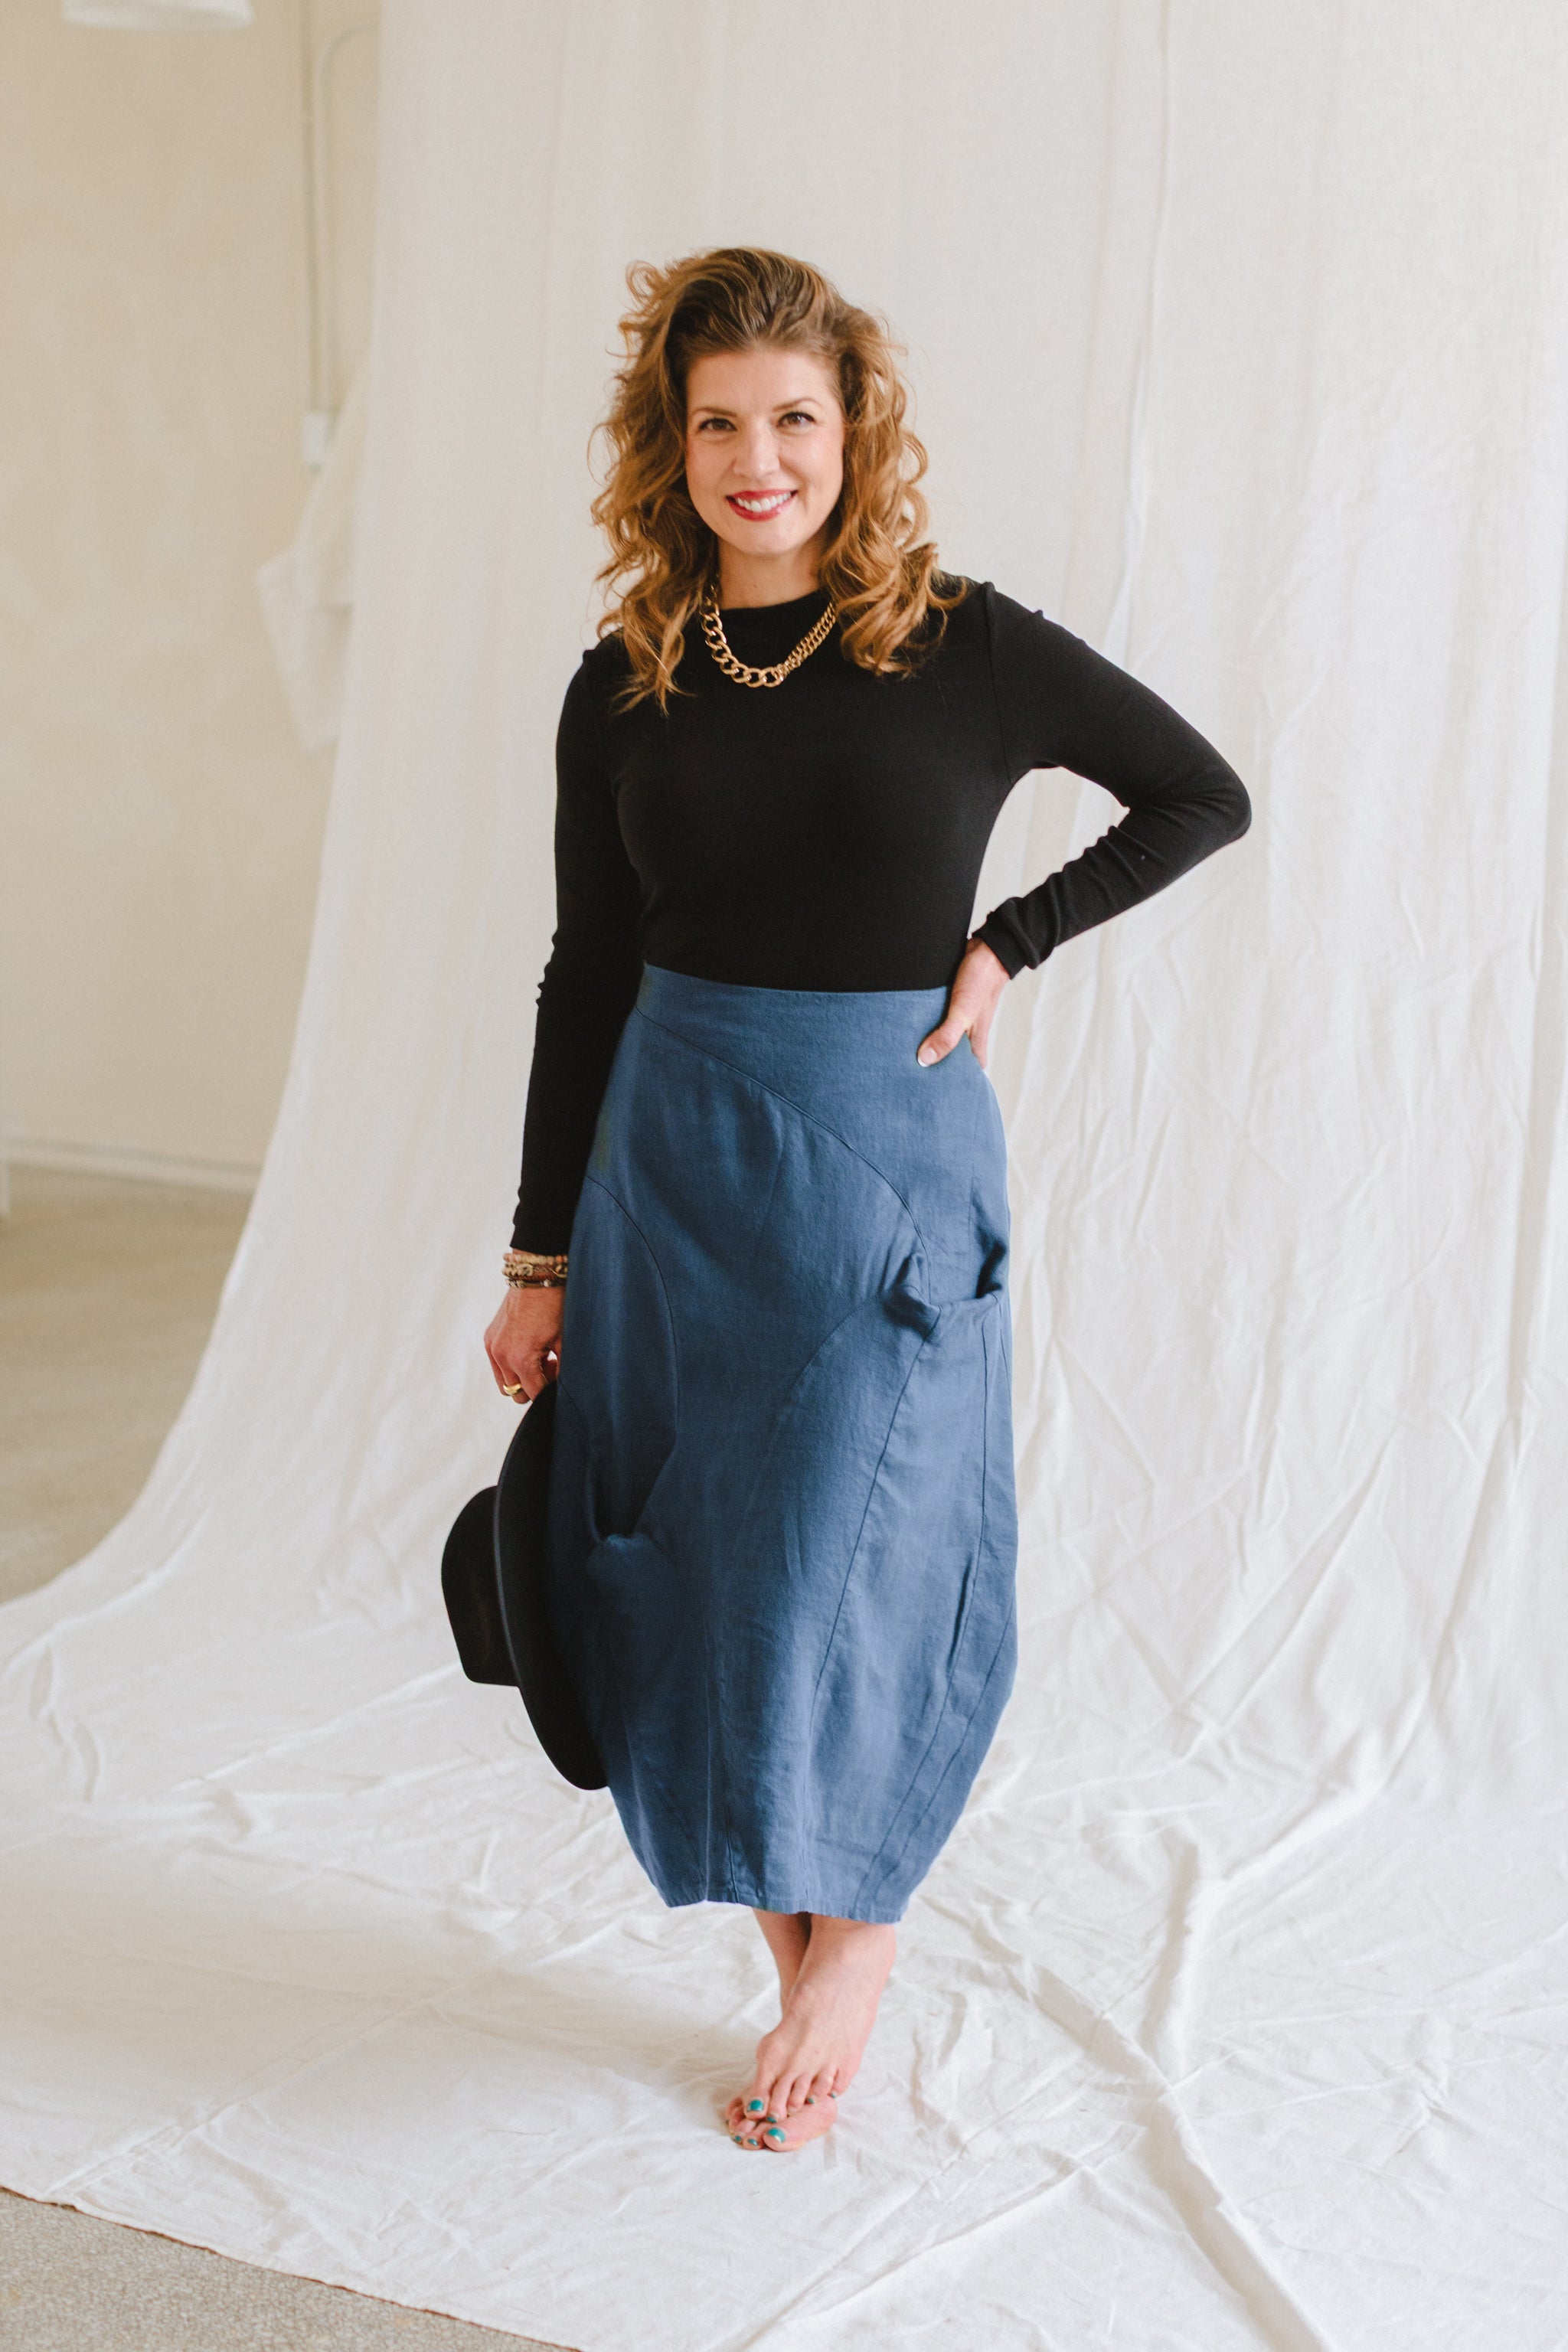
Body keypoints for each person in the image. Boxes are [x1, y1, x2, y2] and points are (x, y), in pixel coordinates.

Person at [484, 247, 1250, 2155]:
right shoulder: (624, 681)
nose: (759, 461)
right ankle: (796, 1947)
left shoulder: (961, 643)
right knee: (697, 1564)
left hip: (883, 1164)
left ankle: (866, 1924)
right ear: (669, 447)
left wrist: (1012, 940)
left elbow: (1195, 791)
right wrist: (537, 1255)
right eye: (718, 424)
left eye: (794, 419)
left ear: (853, 430)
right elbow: (585, 971)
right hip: (670, 1161)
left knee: (862, 1550)